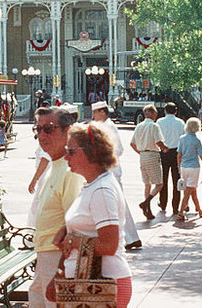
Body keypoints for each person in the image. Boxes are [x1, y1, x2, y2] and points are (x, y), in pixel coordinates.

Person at [54, 123, 133, 308]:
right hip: (91, 287)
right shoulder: (94, 185)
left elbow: (109, 245)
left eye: (71, 151)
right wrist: (66, 231)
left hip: (103, 286)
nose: (66, 157)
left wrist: (73, 241)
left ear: (92, 152)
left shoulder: (102, 190)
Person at [28, 107, 84, 308]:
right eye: (38, 129)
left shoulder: (70, 171)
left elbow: (74, 227)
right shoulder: (55, 165)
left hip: (57, 257)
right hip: (44, 254)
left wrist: (60, 272)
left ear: (67, 131)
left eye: (49, 129)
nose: (42, 135)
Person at [92, 101, 142, 251]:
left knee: (118, 206)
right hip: (108, 170)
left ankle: (130, 238)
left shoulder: (109, 127)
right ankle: (130, 238)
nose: (93, 116)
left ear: (102, 112)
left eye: (95, 113)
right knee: (118, 205)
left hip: (111, 170)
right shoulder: (105, 126)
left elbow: (118, 150)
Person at [129, 104, 168, 220]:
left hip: (143, 155)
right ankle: (146, 202)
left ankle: (147, 209)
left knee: (147, 184)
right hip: (152, 154)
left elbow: (132, 143)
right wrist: (165, 148)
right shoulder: (154, 126)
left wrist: (140, 152)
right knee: (159, 184)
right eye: (155, 113)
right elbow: (158, 142)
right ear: (151, 114)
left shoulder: (139, 126)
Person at [176, 118, 202, 221]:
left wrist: (179, 167)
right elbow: (201, 156)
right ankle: (181, 212)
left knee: (192, 190)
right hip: (194, 167)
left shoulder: (182, 139)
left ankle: (199, 210)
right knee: (189, 191)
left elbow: (179, 155)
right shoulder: (196, 141)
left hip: (183, 166)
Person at [156, 103, 185, 214]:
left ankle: (163, 203)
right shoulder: (180, 122)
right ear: (176, 111)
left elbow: (157, 137)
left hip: (164, 151)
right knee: (176, 179)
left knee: (163, 178)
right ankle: (175, 205)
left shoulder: (159, 122)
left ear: (165, 111)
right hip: (176, 152)